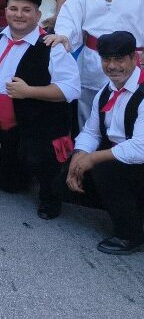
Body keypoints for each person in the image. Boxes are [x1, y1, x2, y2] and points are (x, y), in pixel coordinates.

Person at [0, 0, 80, 220]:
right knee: (10, 185)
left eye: (26, 10)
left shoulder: (52, 45)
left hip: (37, 123)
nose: (19, 15)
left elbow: (72, 89)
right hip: (1, 123)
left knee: (39, 158)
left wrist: (29, 92)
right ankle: (24, 168)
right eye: (13, 9)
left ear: (37, 15)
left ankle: (50, 196)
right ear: (5, 12)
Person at [60, 31, 144, 255]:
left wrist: (93, 158)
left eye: (119, 59)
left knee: (105, 170)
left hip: (138, 161)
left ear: (133, 59)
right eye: (107, 59)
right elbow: (91, 131)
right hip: (121, 158)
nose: (112, 66)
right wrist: (78, 157)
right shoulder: (105, 92)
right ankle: (130, 207)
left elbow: (140, 148)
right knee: (62, 182)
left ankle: (130, 234)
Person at [49, 0, 144, 125]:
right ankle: (87, 149)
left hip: (131, 62)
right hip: (93, 61)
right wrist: (64, 35)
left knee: (129, 112)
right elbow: (70, 14)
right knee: (89, 112)